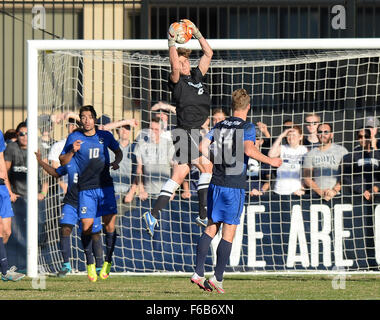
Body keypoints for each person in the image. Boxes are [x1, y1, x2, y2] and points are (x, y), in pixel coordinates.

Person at [190, 88, 282, 293]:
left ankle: (198, 272)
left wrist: (214, 160)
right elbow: (249, 150)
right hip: (233, 186)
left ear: (232, 107)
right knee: (229, 232)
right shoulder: (247, 126)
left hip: (215, 182)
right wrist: (271, 161)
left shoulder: (219, 124)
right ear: (248, 107)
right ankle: (217, 278)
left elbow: (203, 146)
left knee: (211, 227)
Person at [143, 19, 214, 236]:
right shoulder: (176, 81)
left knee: (180, 173)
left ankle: (153, 214)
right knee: (207, 167)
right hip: (185, 132)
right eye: (182, 61)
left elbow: (209, 53)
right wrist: (171, 41)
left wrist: (198, 32)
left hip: (193, 133)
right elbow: (174, 65)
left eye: (186, 61)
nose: (185, 64)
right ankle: (203, 215)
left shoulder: (196, 77)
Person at [59, 105, 122, 282]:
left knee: (109, 227)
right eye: (83, 117)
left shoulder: (105, 136)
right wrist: (72, 150)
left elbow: (118, 152)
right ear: (80, 119)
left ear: (95, 119)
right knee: (86, 227)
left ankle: (108, 261)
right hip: (85, 189)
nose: (86, 120)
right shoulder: (74, 137)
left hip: (105, 187)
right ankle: (90, 264)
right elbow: (62, 161)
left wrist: (116, 162)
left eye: (89, 117)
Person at [35, 150, 104, 278]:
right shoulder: (71, 164)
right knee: (65, 229)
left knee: (93, 233)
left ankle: (99, 265)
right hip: (71, 202)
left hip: (90, 204)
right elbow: (56, 173)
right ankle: (66, 265)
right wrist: (40, 162)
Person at [0, 129, 25, 281]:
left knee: (7, 231)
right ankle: (4, 271)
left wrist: (8, 188)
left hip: (2, 186)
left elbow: (1, 159)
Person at [303, 123, 348, 201]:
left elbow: (346, 175)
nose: (323, 135)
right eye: (320, 132)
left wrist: (334, 191)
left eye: (326, 132)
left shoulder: (341, 151)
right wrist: (321, 193)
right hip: (316, 197)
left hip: (337, 196)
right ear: (317, 135)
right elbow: (307, 178)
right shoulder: (311, 153)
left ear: (331, 135)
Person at [134, 119, 175, 200]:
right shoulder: (141, 145)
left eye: (156, 129)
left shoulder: (168, 145)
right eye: (151, 129)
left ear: (162, 131)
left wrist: (172, 190)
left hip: (165, 193)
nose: (153, 132)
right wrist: (141, 190)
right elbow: (139, 170)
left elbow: (175, 168)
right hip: (147, 194)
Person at [268, 126, 308, 196]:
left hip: (297, 191)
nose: (291, 137)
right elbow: (271, 155)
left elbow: (308, 172)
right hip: (280, 190)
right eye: (289, 135)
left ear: (300, 137)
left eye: (294, 135)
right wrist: (281, 136)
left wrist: (302, 188)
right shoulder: (283, 148)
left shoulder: (305, 150)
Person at [342, 128, 380, 200]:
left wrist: (376, 187)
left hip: (377, 195)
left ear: (370, 137)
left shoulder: (378, 154)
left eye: (366, 136)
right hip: (358, 196)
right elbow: (346, 176)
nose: (363, 139)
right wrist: (361, 190)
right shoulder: (351, 156)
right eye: (360, 136)